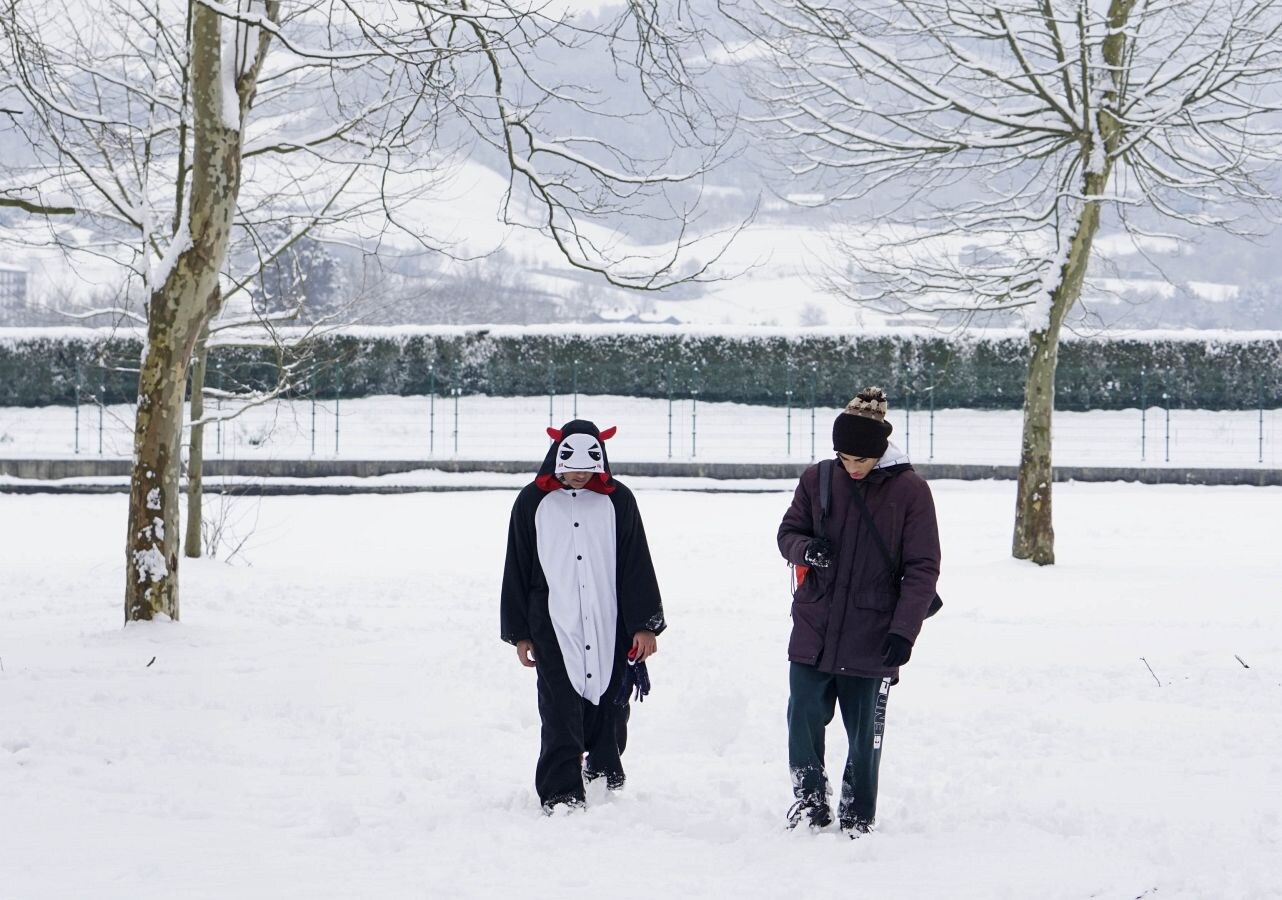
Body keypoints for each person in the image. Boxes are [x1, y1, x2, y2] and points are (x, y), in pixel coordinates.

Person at [776, 386, 941, 836]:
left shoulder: (911, 491)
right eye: (844, 458)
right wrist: (808, 550)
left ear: (880, 451)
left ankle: (857, 814)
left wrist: (904, 632)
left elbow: (923, 567)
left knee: (864, 736)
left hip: (874, 634)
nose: (851, 468)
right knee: (801, 721)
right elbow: (787, 534)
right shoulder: (818, 478)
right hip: (814, 626)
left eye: (861, 461)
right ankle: (810, 802)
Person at [500, 419, 665, 814]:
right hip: (552, 625)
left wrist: (644, 624)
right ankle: (561, 792)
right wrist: (520, 632)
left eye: (588, 462)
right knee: (558, 708)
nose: (578, 471)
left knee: (610, 703)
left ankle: (604, 774)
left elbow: (636, 562)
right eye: (570, 461)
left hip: (610, 621)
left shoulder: (618, 501)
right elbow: (517, 567)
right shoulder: (531, 503)